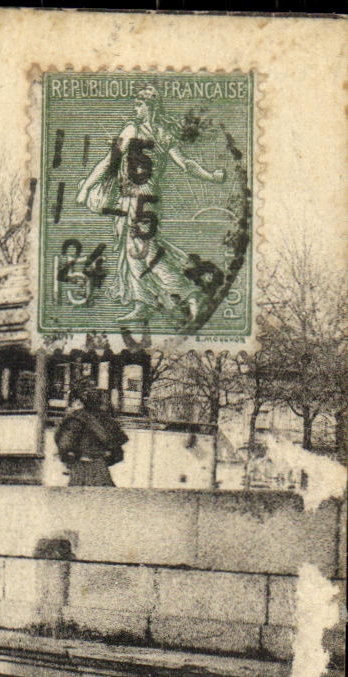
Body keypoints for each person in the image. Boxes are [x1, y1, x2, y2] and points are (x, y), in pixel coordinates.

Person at [74, 84, 227, 325]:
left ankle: (191, 293)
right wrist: (211, 176)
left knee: (147, 252)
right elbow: (185, 164)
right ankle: (143, 302)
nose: (136, 108)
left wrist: (85, 189)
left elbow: (108, 163)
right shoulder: (164, 135)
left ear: (150, 107)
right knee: (133, 252)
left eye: (139, 104)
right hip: (145, 201)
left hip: (138, 200)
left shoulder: (132, 131)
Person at [55, 385, 128, 486]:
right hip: (101, 470)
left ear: (79, 401)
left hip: (80, 468)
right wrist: (101, 459)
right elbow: (118, 454)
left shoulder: (75, 419)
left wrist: (69, 461)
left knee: (78, 499)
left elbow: (65, 446)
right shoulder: (105, 419)